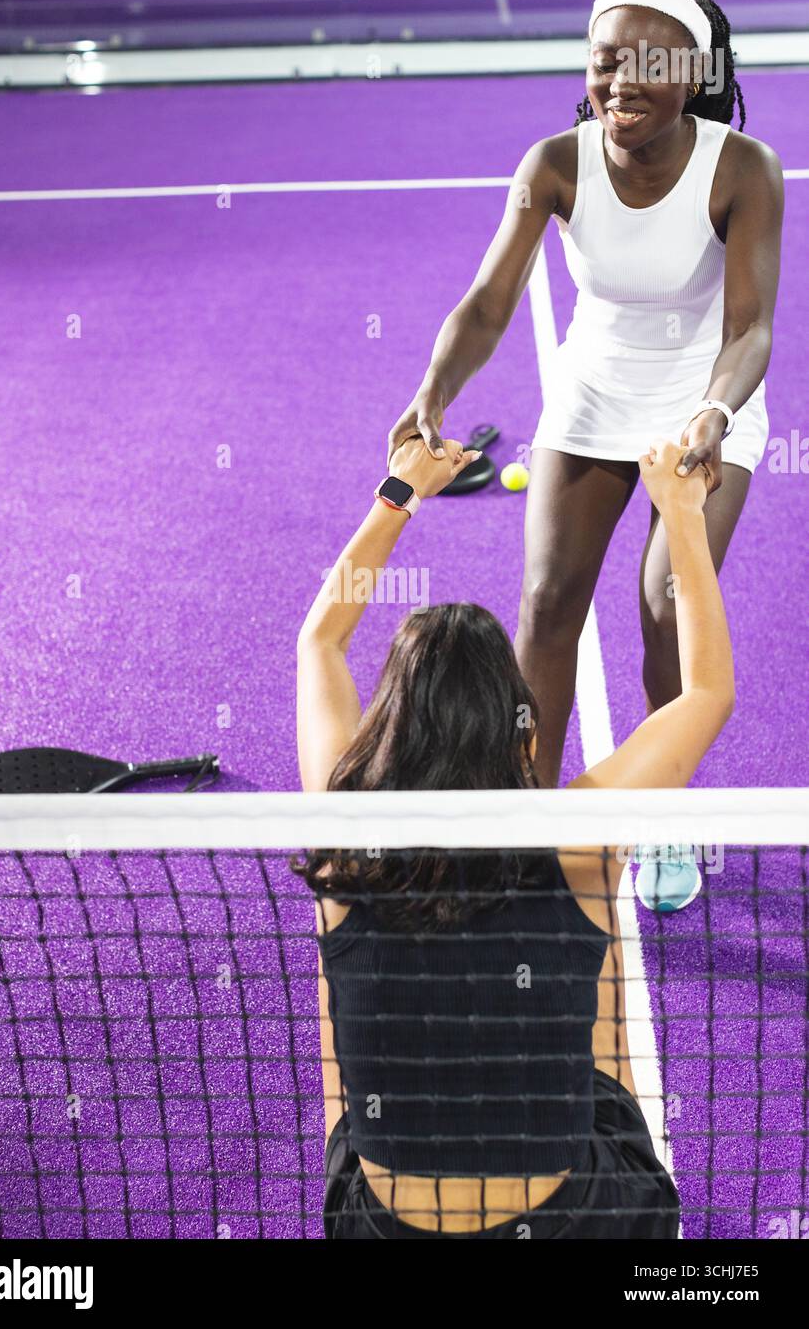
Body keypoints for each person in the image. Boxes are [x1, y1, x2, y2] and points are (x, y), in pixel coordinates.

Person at [386, 0, 782, 909]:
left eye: (648, 63)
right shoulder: (554, 164)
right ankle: (529, 821)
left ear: (694, 70)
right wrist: (435, 388)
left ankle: (661, 819)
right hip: (592, 395)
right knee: (546, 602)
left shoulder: (743, 169)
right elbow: (488, 303)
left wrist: (711, 414)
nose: (621, 82)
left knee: (662, 607)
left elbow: (750, 330)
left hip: (706, 403)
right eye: (606, 62)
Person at [295, 434, 733, 1239]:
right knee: (599, 1035)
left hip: (382, 1226)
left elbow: (318, 642)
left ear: (391, 724)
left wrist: (400, 491)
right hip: (568, 1221)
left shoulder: (341, 837)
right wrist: (680, 513)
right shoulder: (576, 842)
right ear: (518, 729)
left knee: (344, 1057)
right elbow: (704, 692)